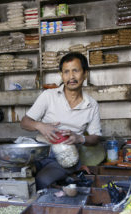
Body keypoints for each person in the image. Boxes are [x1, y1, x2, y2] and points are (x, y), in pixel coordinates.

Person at [21, 51, 102, 190]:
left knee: (41, 182)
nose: (71, 77)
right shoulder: (48, 96)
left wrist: (79, 138)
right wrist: (40, 126)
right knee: (19, 177)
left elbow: (95, 138)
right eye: (66, 72)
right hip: (41, 152)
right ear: (61, 75)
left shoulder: (91, 104)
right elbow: (24, 122)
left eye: (75, 71)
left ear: (85, 74)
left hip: (66, 157)